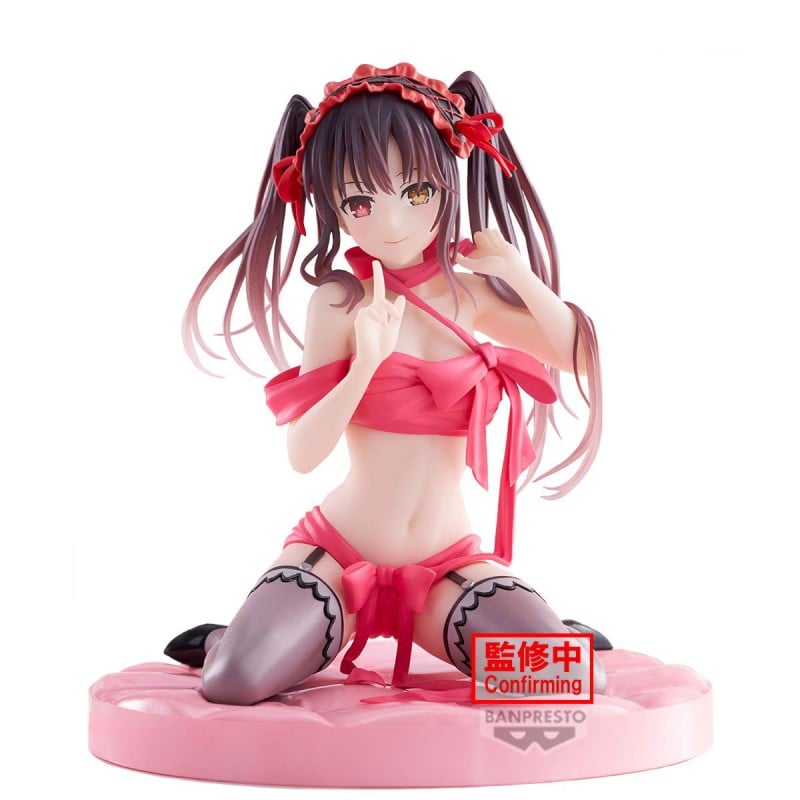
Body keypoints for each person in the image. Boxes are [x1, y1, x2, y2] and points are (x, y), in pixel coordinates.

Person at [166, 63, 610, 706]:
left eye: (418, 192)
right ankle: (234, 639)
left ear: (448, 181)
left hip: (446, 567)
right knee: (233, 681)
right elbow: (302, 453)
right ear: (331, 205)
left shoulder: (470, 297)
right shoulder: (338, 303)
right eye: (360, 203)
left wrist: (518, 272)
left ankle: (535, 626)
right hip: (336, 558)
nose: (393, 223)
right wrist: (364, 365)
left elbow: (579, 359)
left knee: (571, 678)